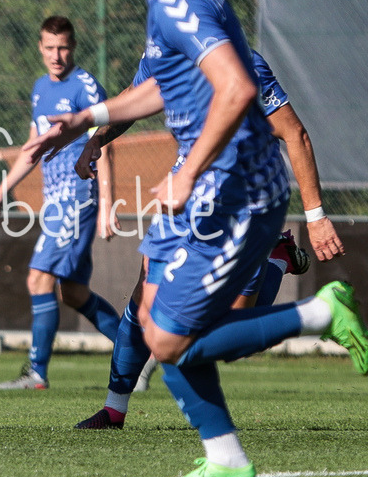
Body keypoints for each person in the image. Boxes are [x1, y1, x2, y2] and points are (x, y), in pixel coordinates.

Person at [25, 0, 368, 477]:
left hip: (236, 191)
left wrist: (186, 172)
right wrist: (88, 122)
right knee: (153, 318)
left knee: (175, 336)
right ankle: (222, 457)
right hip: (212, 190)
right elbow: (159, 89)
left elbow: (237, 87)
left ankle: (319, 311)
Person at [73, 49, 345, 412]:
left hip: (241, 203)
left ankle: (281, 263)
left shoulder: (241, 62)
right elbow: (133, 98)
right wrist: (96, 138)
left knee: (230, 330)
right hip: (184, 191)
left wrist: (316, 216)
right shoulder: (161, 47)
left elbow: (294, 133)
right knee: (144, 296)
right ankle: (113, 408)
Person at [0, 16, 121, 390]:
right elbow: (33, 149)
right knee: (73, 293)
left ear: (73, 47)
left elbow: (105, 144)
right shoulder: (41, 88)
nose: (56, 55)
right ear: (40, 48)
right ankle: (139, 352)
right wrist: (0, 191)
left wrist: (107, 203)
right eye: (49, 48)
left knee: (38, 278)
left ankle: (36, 373)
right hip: (55, 200)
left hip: (77, 197)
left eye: (63, 48)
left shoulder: (85, 86)